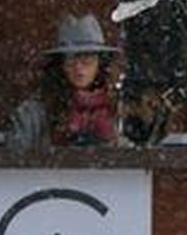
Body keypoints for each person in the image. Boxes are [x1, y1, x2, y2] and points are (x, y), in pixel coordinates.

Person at [8, 14, 122, 149]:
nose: (79, 67)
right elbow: (17, 162)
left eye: (87, 59)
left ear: (100, 64)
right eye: (71, 59)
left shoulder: (119, 108)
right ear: (60, 65)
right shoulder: (34, 113)